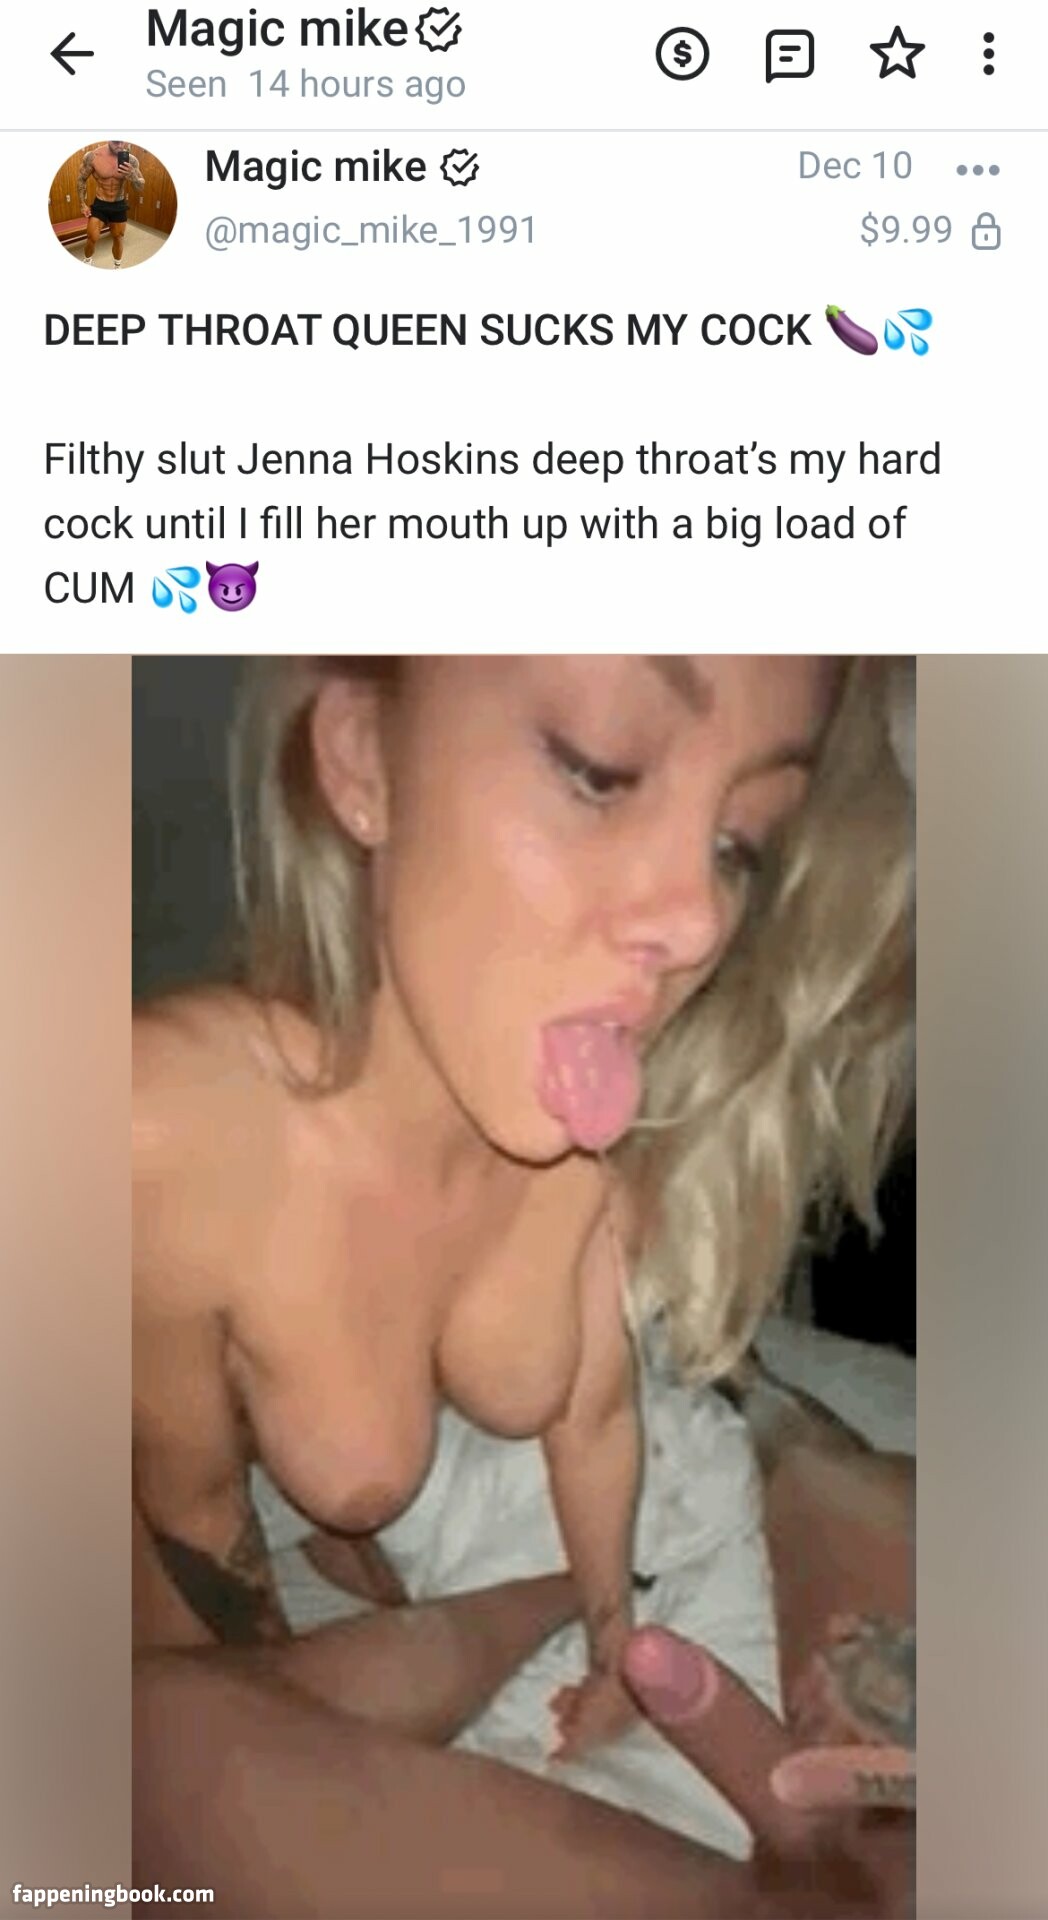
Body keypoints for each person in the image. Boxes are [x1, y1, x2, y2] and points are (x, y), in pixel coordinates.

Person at [133, 658, 912, 1816]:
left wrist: (609, 1642)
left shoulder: (584, 1159)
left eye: (738, 843)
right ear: (361, 758)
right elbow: (190, 1534)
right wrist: (290, 1740)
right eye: (600, 772)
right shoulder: (161, 1129)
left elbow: (593, 1419)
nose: (699, 919)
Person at [78, 140, 144, 266]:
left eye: (122, 142)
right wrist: (82, 204)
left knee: (118, 237)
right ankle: (87, 261)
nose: (120, 146)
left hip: (119, 204)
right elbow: (81, 179)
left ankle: (117, 266)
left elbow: (140, 188)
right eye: (115, 142)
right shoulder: (93, 156)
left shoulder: (131, 160)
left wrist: (133, 176)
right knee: (92, 237)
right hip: (100, 204)